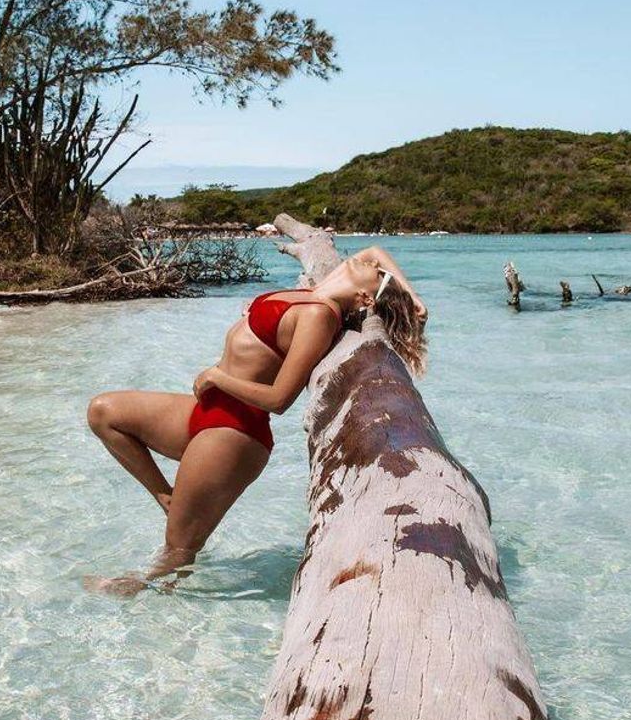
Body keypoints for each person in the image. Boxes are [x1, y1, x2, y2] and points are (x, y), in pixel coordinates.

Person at [84, 246, 428, 595]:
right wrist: (412, 295)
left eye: (377, 273)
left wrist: (218, 378)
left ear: (365, 298)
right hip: (206, 412)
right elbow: (375, 251)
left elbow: (280, 399)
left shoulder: (320, 316)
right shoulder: (315, 293)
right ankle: (166, 497)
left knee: (179, 546)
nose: (369, 263)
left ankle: (143, 592)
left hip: (235, 432)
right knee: (104, 412)